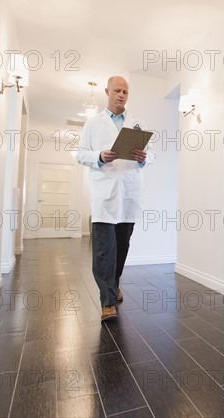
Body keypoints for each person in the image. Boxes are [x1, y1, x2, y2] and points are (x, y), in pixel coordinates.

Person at [77, 76, 154, 321]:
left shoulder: (137, 123)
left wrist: (144, 157)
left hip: (129, 194)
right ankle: (107, 301)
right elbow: (81, 155)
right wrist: (99, 156)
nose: (121, 95)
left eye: (125, 92)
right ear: (107, 91)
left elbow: (151, 156)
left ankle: (114, 284)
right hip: (104, 195)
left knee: (122, 248)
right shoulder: (93, 123)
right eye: (117, 90)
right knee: (103, 252)